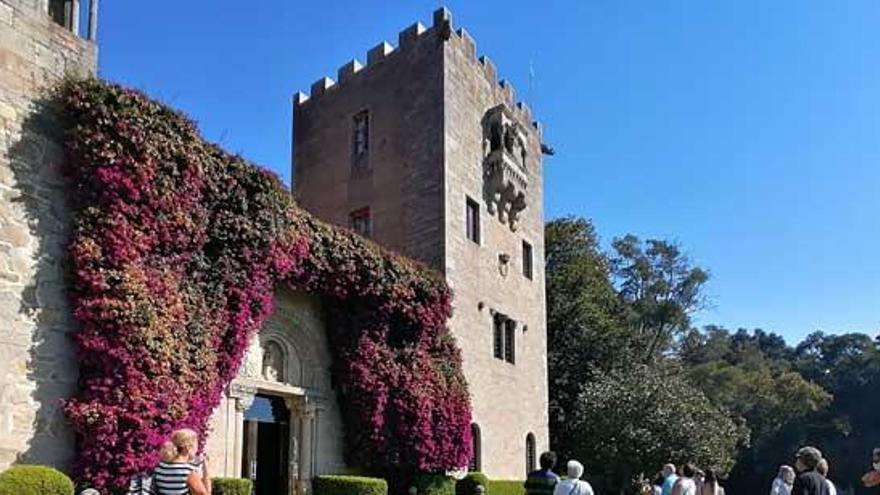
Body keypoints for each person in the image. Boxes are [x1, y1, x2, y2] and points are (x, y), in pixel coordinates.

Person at [152, 429, 211, 495]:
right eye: (196, 446)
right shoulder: (188, 471)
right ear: (188, 448)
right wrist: (206, 471)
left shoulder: (160, 467)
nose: (197, 450)